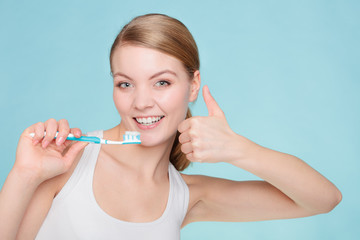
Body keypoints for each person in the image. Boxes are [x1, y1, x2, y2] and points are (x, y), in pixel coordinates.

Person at [0, 13, 342, 240]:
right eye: (125, 84)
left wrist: (239, 149)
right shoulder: (67, 161)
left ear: (193, 85)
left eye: (161, 82)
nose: (142, 102)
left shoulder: (187, 196)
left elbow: (324, 199)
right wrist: (24, 176)